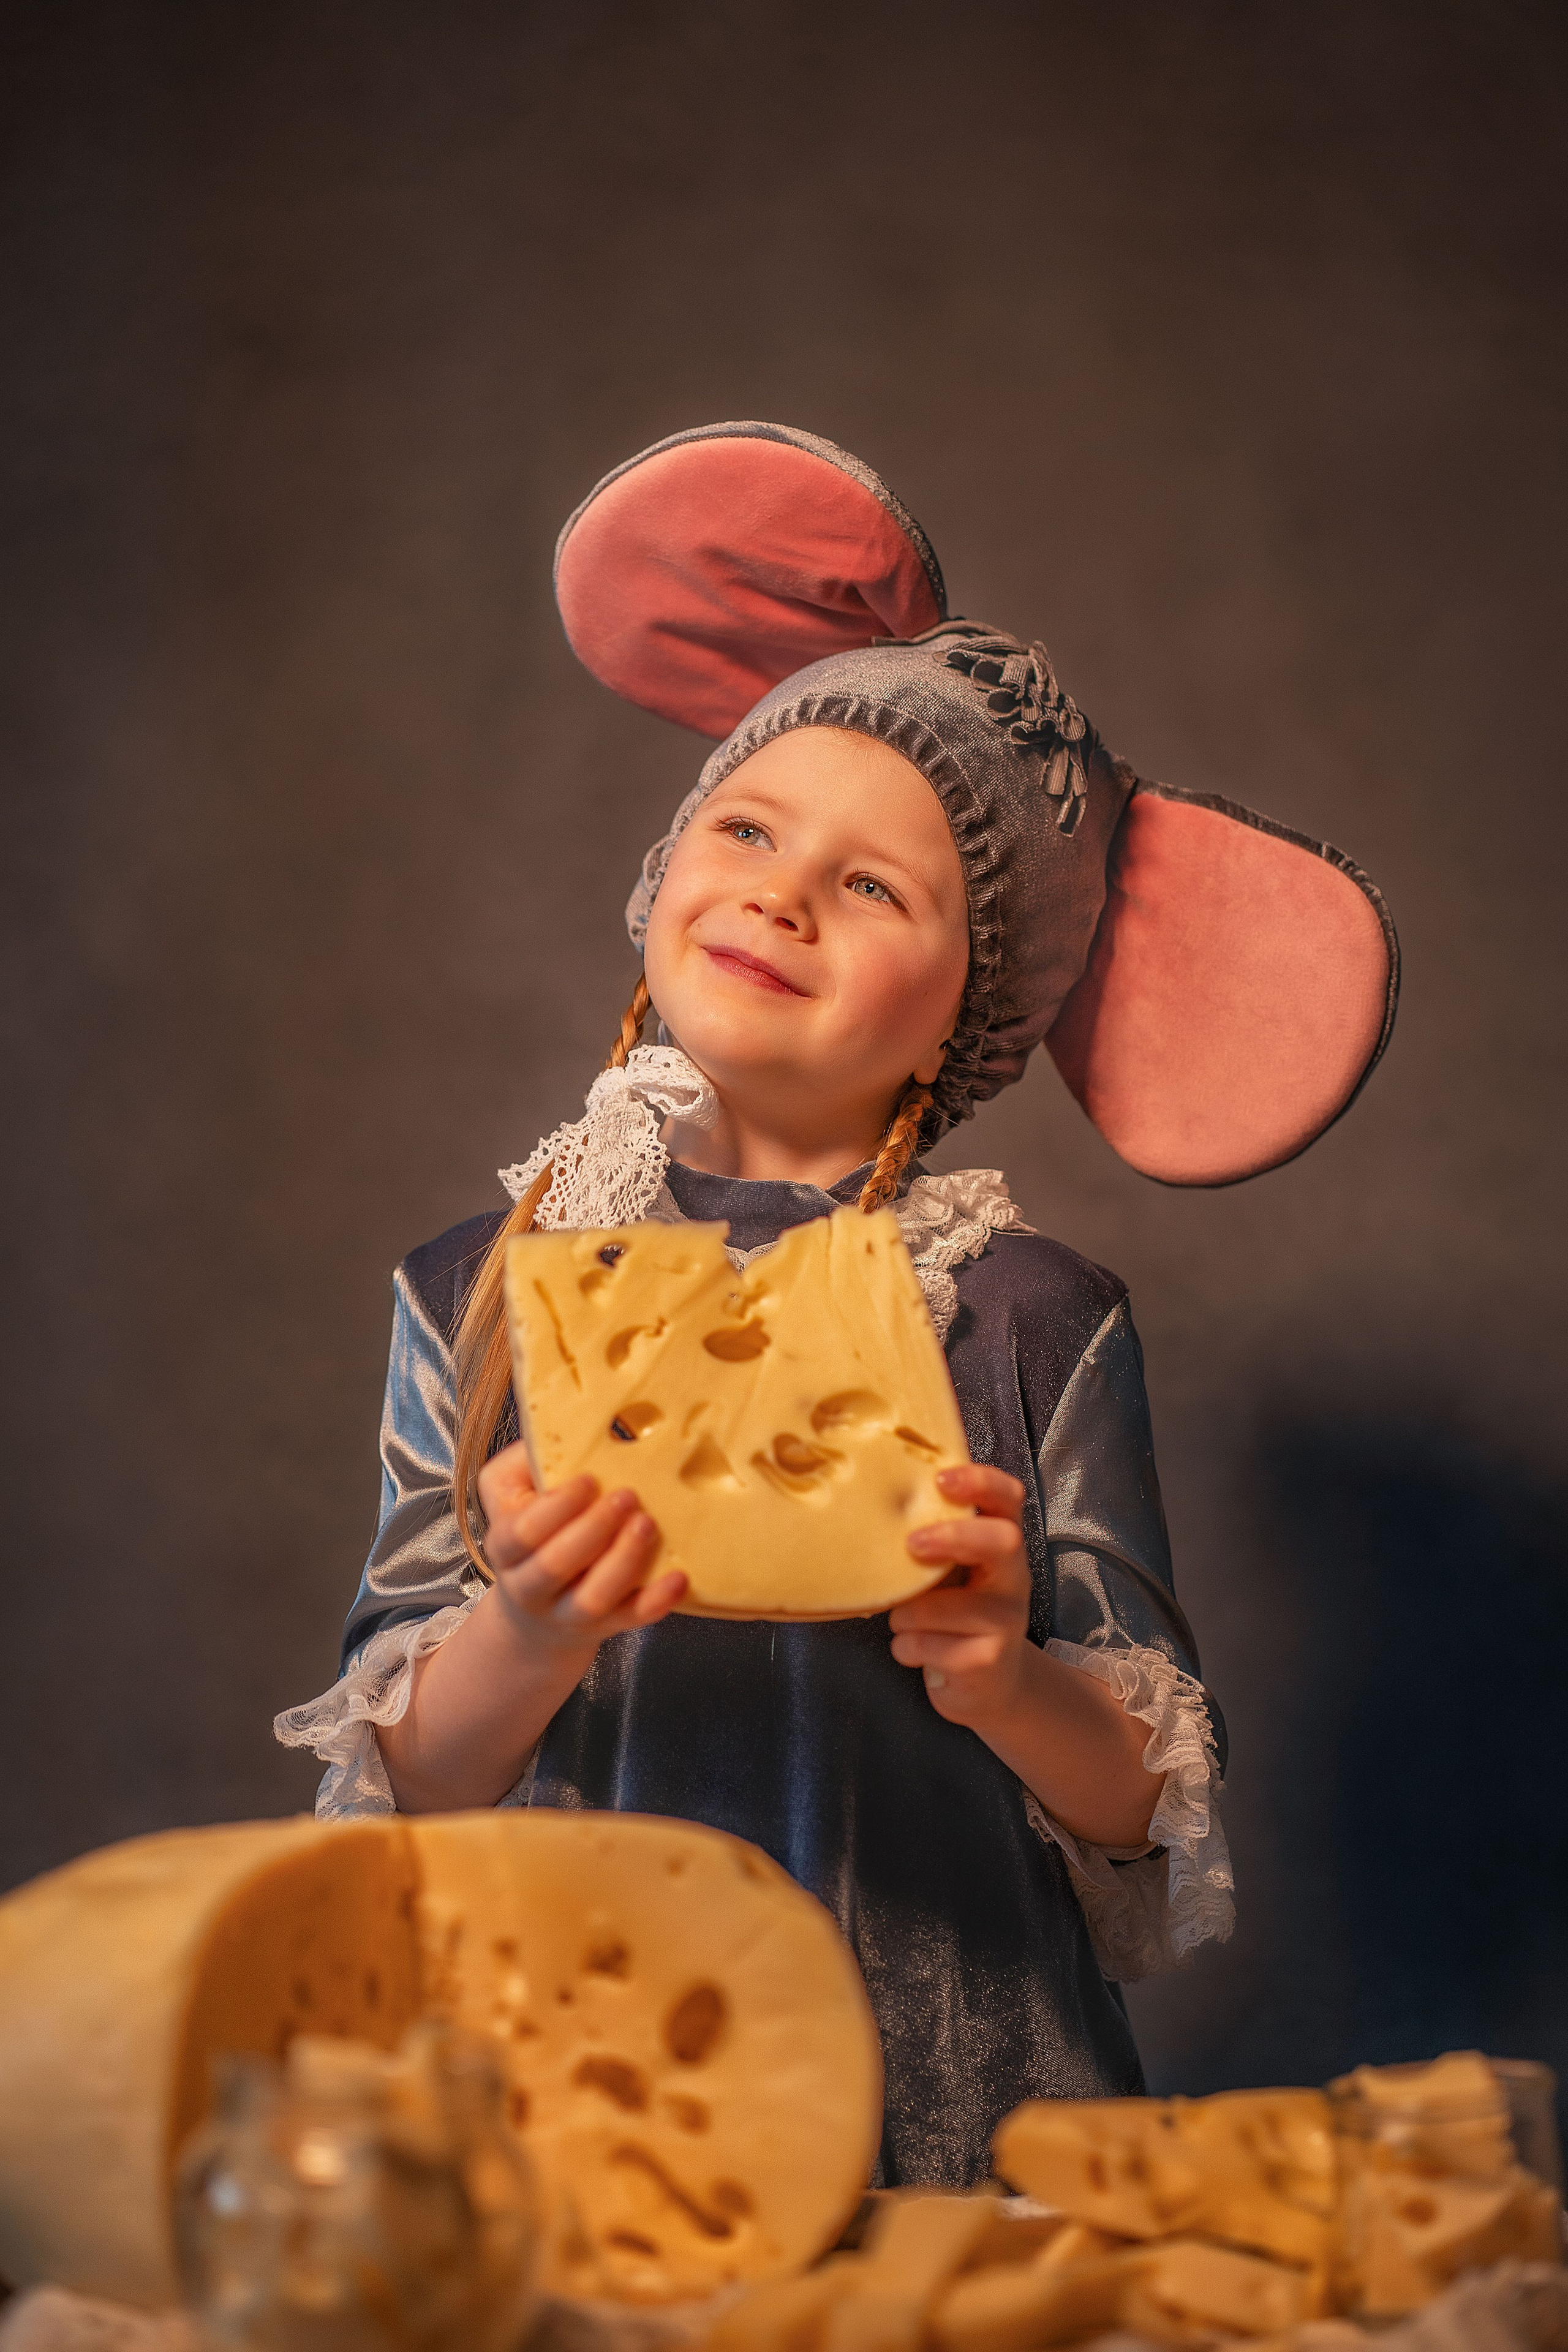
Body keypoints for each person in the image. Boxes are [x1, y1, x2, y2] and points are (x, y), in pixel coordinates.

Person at [277, 424, 1399, 2186]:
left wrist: (1002, 1669)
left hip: (962, 2104)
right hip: (596, 2104)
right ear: (670, 867)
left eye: (874, 885)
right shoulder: (481, 1284)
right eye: (748, 824)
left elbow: (1142, 1792)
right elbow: (405, 1773)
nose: (781, 889)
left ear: (969, 1010)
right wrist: (534, 1629)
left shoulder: (1030, 1310)